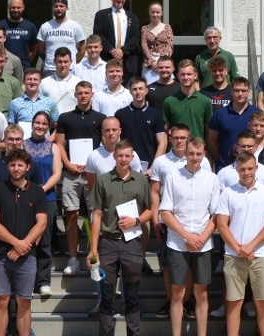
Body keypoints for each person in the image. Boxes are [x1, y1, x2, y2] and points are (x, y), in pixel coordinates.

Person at [87, 140, 153, 336]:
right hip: (107, 243)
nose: (124, 159)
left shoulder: (141, 180)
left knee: (132, 295)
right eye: (120, 155)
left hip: (132, 243)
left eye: (127, 156)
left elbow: (150, 209)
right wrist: (93, 249)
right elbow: (96, 215)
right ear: (114, 156)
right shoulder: (104, 180)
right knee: (106, 295)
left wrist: (136, 220)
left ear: (132, 156)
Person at [214, 153, 264, 336]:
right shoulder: (227, 193)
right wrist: (239, 248)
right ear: (237, 170)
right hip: (234, 255)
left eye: (250, 169)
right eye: (242, 169)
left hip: (260, 254)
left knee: (263, 302)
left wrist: (250, 247)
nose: (246, 173)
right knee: (234, 302)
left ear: (256, 168)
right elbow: (222, 225)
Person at [0, 148, 48, 336]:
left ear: (27, 167)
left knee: (24, 301)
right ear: (7, 167)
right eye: (12, 164)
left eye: (21, 165)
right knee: (1, 300)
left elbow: (41, 223)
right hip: (0, 255)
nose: (16, 168)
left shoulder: (37, 192)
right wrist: (16, 243)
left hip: (27, 256)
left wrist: (23, 247)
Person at [159, 138, 220, 336]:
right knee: (177, 293)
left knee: (201, 294)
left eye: (199, 154)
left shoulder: (211, 179)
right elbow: (165, 212)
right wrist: (187, 236)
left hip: (203, 243)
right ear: (185, 153)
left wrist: (202, 238)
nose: (195, 158)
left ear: (205, 154)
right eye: (191, 153)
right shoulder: (174, 176)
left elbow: (216, 215)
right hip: (178, 243)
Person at [54, 81, 105, 275]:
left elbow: (105, 144)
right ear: (75, 95)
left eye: (87, 93)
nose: (83, 96)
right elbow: (59, 144)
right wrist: (68, 165)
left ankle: (94, 255)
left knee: (94, 214)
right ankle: (73, 258)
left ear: (92, 94)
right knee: (71, 214)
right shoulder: (66, 117)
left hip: (93, 174)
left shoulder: (100, 118)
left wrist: (93, 165)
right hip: (71, 173)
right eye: (80, 93)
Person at [24, 111, 63, 298]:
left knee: (45, 241)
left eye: (44, 123)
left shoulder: (53, 147)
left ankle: (43, 281)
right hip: (24, 199)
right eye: (37, 123)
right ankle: (27, 280)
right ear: (32, 124)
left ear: (48, 126)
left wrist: (41, 189)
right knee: (27, 239)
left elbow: (57, 173)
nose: (40, 126)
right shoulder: (22, 145)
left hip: (47, 199)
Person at [115, 77, 167, 173]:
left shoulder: (155, 114)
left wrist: (154, 167)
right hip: (126, 164)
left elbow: (162, 143)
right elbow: (115, 141)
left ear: (146, 91)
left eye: (141, 88)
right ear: (130, 92)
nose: (138, 92)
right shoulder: (121, 114)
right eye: (134, 89)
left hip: (149, 166)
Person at [207, 76, 260, 170]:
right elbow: (212, 141)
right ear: (231, 91)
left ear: (249, 92)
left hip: (250, 167)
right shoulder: (220, 114)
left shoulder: (257, 114)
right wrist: (221, 159)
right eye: (237, 90)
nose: (240, 94)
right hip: (225, 166)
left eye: (243, 91)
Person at [93, 0, 141, 76]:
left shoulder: (133, 17)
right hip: (107, 59)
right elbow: (98, 35)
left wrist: (122, 51)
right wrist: (112, 50)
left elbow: (135, 38)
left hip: (127, 63)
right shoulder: (101, 15)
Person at [162, 59, 213, 139]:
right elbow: (165, 132)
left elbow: (209, 131)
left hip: (197, 149)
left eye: (189, 74)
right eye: (182, 74)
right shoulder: (169, 101)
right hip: (176, 148)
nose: (186, 77)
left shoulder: (205, 101)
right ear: (178, 76)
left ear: (195, 75)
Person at [37, 0, 86, 77]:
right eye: (56, 6)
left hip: (70, 70)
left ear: (67, 8)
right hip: (50, 69)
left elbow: (82, 51)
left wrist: (72, 63)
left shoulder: (75, 26)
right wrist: (51, 61)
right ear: (52, 8)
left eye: (61, 6)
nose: (59, 9)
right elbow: (41, 50)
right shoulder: (45, 26)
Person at [0, 0, 38, 71]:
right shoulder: (0, 26)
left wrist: (27, 60)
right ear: (8, 7)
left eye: (18, 7)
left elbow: (34, 48)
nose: (16, 10)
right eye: (13, 7)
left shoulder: (30, 27)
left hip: (24, 68)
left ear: (23, 7)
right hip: (4, 68)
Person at [40, 47, 83, 116]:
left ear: (71, 61)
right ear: (54, 62)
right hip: (52, 125)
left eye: (65, 62)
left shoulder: (79, 83)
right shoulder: (43, 83)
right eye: (60, 62)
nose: (63, 65)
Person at [139, 2, 174, 83]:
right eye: (153, 12)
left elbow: (169, 46)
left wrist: (160, 62)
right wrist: (152, 62)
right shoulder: (145, 28)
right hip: (149, 65)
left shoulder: (167, 28)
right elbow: (144, 45)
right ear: (149, 13)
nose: (155, 14)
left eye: (157, 12)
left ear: (161, 13)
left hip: (164, 64)